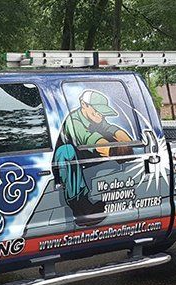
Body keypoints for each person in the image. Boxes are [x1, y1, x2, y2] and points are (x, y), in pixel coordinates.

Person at [53, 90, 133, 227]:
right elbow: (93, 141)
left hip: (86, 159)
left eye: (102, 112)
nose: (99, 115)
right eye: (97, 110)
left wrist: (127, 142)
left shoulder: (96, 117)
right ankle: (81, 209)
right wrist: (115, 151)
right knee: (65, 151)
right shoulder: (74, 121)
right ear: (84, 105)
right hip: (67, 165)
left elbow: (111, 129)